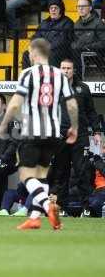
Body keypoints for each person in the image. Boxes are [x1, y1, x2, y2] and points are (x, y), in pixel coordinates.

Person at [0, 38, 79, 230]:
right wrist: (74, 126)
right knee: (41, 175)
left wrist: (3, 124)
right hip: (53, 132)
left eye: (29, 52)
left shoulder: (28, 73)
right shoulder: (59, 75)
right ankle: (35, 217)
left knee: (26, 174)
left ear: (34, 53)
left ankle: (46, 205)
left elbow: (16, 103)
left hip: (33, 131)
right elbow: (72, 103)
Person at [50, 59, 100, 215]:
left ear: (74, 70)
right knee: (60, 172)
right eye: (63, 68)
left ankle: (86, 207)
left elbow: (91, 111)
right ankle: (61, 207)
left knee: (82, 172)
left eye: (68, 68)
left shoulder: (83, 89)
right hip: (61, 136)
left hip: (80, 135)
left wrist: (97, 131)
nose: (65, 71)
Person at [22, 0, 74, 69]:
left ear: (61, 10)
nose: (53, 10)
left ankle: (49, 77)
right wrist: (37, 47)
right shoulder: (44, 23)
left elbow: (62, 41)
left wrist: (46, 48)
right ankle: (29, 76)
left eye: (56, 8)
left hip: (59, 51)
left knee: (52, 55)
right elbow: (36, 37)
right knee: (26, 54)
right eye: (51, 8)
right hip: (44, 50)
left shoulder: (67, 23)